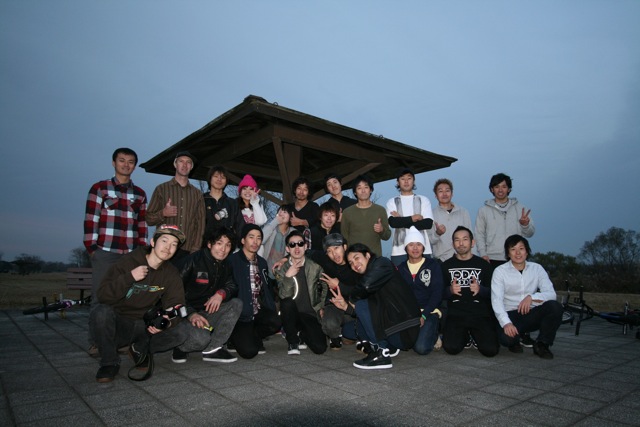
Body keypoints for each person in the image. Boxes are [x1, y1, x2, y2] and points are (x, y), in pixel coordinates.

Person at [91, 225, 188, 383]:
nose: (168, 247)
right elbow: (103, 295)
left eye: (174, 244)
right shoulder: (129, 261)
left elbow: (177, 304)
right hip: (120, 323)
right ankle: (109, 362)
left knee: (181, 332)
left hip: (144, 325)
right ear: (153, 242)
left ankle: (138, 349)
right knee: (101, 312)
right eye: (164, 241)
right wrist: (130, 277)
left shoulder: (171, 273)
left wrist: (167, 320)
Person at [84, 147, 148, 353]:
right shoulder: (100, 188)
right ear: (114, 163)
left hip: (130, 253)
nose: (126, 165)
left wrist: (141, 251)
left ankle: (122, 340)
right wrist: (92, 249)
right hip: (105, 251)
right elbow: (91, 219)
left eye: (130, 162)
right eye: (122, 160)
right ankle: (97, 342)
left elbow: (142, 225)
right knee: (101, 296)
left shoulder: (139, 194)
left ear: (134, 166)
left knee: (126, 298)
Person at [330, 244, 421, 370]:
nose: (354, 264)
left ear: (367, 255)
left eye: (357, 258)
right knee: (349, 330)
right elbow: (370, 312)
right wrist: (346, 307)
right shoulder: (367, 276)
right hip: (393, 326)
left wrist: (351, 297)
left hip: (404, 327)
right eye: (351, 263)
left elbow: (365, 288)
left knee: (361, 303)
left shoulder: (382, 264)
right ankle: (389, 347)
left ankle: (381, 353)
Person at [172, 227, 243, 364]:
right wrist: (190, 313)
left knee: (236, 304)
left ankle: (213, 348)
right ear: (209, 244)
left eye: (228, 245)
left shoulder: (226, 263)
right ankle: (180, 346)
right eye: (219, 243)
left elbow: (233, 285)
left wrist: (221, 294)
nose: (223, 249)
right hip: (184, 314)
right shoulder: (192, 261)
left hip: (207, 312)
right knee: (201, 340)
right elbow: (173, 293)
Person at [491, 235, 563, 359]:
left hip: (530, 313)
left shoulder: (537, 269)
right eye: (513, 249)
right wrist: (506, 323)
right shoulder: (500, 271)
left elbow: (551, 294)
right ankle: (516, 339)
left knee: (555, 307)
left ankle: (542, 344)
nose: (518, 253)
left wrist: (531, 297)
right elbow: (496, 300)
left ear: (527, 251)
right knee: (506, 339)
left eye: (521, 248)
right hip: (510, 314)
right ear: (508, 253)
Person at [441, 226, 499, 357]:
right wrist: (449, 290)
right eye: (457, 240)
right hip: (456, 314)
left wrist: (481, 290)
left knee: (491, 351)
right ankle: (466, 336)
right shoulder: (445, 266)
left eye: (465, 239)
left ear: (472, 242)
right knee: (451, 348)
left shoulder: (484, 265)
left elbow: (494, 293)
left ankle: (475, 335)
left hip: (479, 314)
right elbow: (439, 294)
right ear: (453, 244)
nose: (461, 243)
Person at [228, 224, 281, 359]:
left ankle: (253, 335)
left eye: (258, 238)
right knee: (249, 352)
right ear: (243, 240)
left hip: (257, 311)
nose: (255, 241)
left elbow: (266, 289)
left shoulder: (262, 262)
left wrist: (271, 309)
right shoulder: (232, 261)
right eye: (251, 237)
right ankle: (233, 337)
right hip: (240, 315)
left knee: (275, 322)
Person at [274, 230, 328, 355]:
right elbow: (283, 296)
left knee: (320, 348)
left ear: (306, 246)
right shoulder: (281, 269)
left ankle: (302, 334)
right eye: (292, 245)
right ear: (287, 249)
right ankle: (292, 340)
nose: (297, 247)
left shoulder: (315, 267)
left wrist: (321, 306)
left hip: (310, 314)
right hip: (291, 314)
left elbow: (325, 286)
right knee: (286, 303)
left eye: (300, 243)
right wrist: (288, 277)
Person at [147, 151, 205, 261]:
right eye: (181, 161)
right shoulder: (161, 189)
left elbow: (200, 224)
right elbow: (149, 219)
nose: (184, 165)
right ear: (175, 164)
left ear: (191, 167)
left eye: (188, 162)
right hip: (163, 248)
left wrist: (196, 249)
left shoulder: (197, 194)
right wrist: (163, 213)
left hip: (187, 250)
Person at [396, 227, 443, 355]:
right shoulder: (401, 269)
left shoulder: (433, 265)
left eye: (419, 244)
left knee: (421, 348)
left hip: (429, 312)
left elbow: (437, 293)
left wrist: (424, 314)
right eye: (411, 244)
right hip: (409, 313)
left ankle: (435, 334)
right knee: (402, 344)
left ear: (423, 247)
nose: (415, 248)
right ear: (406, 248)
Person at [475, 173, 535, 267]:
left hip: (516, 257)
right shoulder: (483, 210)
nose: (500, 190)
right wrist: (483, 254)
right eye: (497, 186)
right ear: (492, 189)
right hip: (491, 258)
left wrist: (525, 225)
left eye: (504, 186)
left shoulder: (521, 209)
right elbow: (479, 234)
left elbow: (530, 233)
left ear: (509, 189)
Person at [386, 168, 434, 266]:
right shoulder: (392, 202)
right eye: (403, 179)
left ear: (414, 181)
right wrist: (413, 218)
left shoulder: (423, 200)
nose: (406, 181)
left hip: (423, 249)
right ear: (398, 182)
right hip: (399, 250)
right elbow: (393, 223)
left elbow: (428, 224)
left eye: (409, 178)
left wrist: (401, 220)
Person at [341, 174, 391, 258]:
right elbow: (344, 238)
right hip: (355, 260)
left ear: (370, 190)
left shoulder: (380, 210)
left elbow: (387, 236)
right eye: (359, 188)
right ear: (355, 192)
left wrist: (381, 230)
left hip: (375, 258)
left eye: (366, 187)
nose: (363, 191)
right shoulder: (347, 212)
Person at [427, 179, 472, 262]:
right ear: (436, 195)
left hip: (463, 258)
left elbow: (471, 236)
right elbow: (429, 241)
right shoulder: (430, 215)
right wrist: (437, 233)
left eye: (447, 191)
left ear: (452, 193)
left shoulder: (463, 212)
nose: (444, 194)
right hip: (441, 260)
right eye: (440, 191)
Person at [202, 165, 238, 246]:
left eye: (223, 177)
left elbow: (239, 227)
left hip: (226, 248)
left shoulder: (232, 203)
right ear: (210, 179)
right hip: (203, 247)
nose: (219, 179)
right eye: (216, 176)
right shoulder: (201, 200)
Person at [260, 204, 295, 274]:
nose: (281, 213)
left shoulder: (293, 232)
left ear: (290, 217)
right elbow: (261, 240)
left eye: (285, 212)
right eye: (280, 211)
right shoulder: (271, 228)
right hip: (267, 270)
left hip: (284, 271)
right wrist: (275, 222)